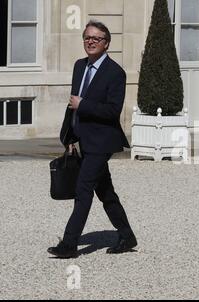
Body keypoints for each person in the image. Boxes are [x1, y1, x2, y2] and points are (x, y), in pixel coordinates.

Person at [48, 20, 137, 258]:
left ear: (106, 44)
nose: (90, 42)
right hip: (82, 140)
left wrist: (83, 105)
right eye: (87, 37)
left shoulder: (115, 73)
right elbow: (72, 106)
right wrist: (69, 136)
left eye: (96, 38)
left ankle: (69, 244)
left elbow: (112, 111)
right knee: (105, 192)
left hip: (102, 141)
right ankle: (127, 236)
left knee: (83, 189)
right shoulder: (79, 66)